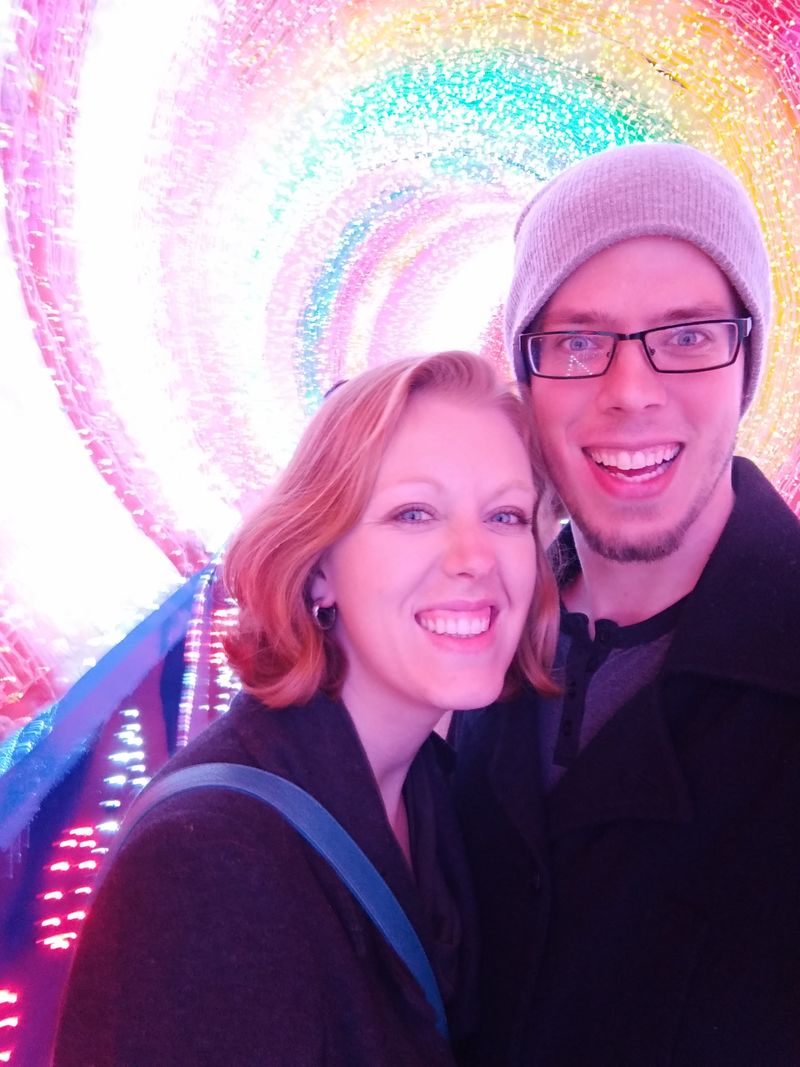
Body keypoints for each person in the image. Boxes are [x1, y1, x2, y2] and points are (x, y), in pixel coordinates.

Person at [53, 350, 559, 1067]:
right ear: (319, 567)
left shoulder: (430, 787)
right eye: (414, 513)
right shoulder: (207, 866)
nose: (475, 556)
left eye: (505, 515)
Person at [453, 142, 800, 1065]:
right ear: (528, 378)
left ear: (745, 365)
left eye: (686, 336)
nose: (631, 393)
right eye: (578, 342)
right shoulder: (465, 641)